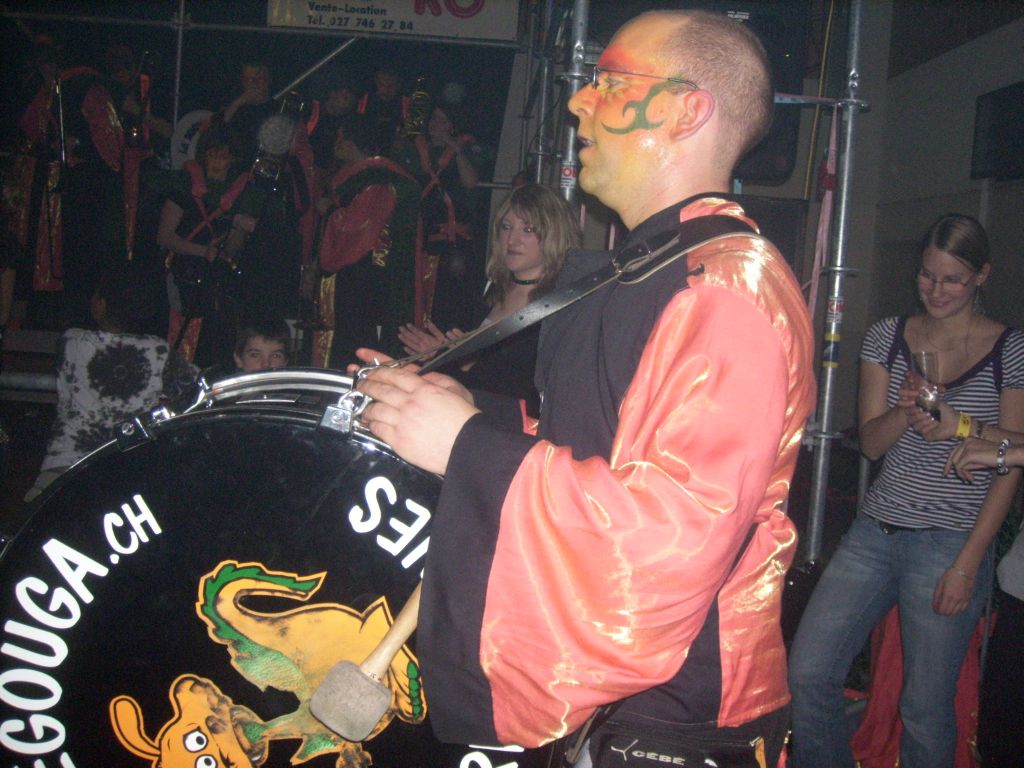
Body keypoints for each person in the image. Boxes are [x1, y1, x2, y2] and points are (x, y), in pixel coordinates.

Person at [349, 10, 814, 766]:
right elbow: (594, 437)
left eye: (609, 82)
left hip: (678, 714)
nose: (577, 101)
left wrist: (466, 446)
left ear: (686, 109)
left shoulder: (725, 291)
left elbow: (667, 542)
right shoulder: (649, 268)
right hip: (609, 706)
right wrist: (456, 413)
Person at [788, 213, 1024, 768]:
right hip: (876, 529)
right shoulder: (887, 336)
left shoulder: (1009, 348)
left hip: (951, 538)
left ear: (981, 276)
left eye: (952, 280)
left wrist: (969, 563)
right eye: (927, 276)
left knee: (924, 706)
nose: (936, 290)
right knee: (808, 672)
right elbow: (871, 445)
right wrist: (905, 407)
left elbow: (1012, 461)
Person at [397, 182, 581, 414]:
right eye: (506, 227)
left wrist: (470, 361)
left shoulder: (561, 306)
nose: (511, 240)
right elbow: (467, 386)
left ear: (554, 235)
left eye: (527, 229)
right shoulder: (491, 292)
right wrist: (441, 356)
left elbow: (539, 397)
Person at [25, 265, 197, 502]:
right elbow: (194, 388)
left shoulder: (73, 341)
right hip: (127, 470)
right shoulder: (158, 351)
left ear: (102, 304)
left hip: (66, 467)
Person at [308, 114, 422, 369]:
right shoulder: (364, 177)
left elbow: (357, 229)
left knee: (354, 342)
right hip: (360, 274)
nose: (336, 145)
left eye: (340, 139)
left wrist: (329, 210)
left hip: (364, 276)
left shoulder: (378, 180)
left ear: (351, 142)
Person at [157, 125, 255, 367]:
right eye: (213, 154)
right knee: (181, 336)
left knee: (214, 342)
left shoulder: (240, 193)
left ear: (233, 158)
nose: (217, 160)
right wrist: (203, 251)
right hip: (183, 274)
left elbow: (232, 251)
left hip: (217, 282)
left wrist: (240, 227)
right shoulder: (185, 185)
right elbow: (164, 237)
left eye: (224, 154)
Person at [394, 100, 491, 329]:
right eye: (433, 118)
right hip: (422, 239)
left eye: (442, 119)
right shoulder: (414, 151)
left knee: (451, 303)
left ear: (452, 125)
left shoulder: (464, 149)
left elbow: (470, 182)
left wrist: (455, 150)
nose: (436, 124)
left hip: (453, 244)